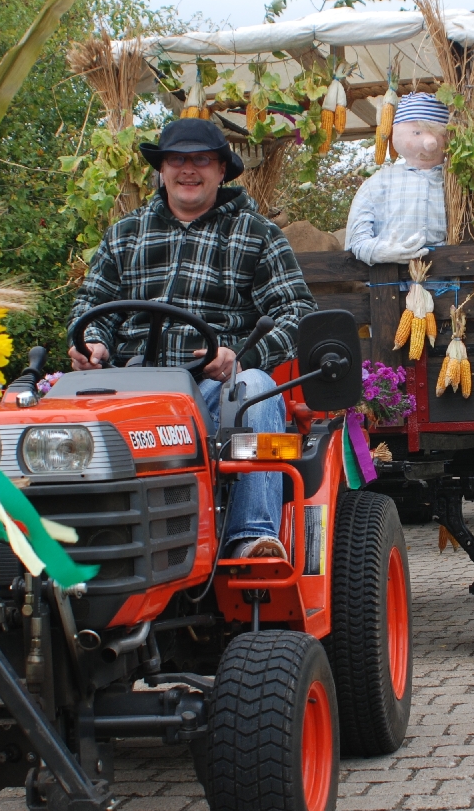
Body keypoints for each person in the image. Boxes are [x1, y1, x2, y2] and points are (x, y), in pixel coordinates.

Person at [68, 118, 317, 559]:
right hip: (130, 388)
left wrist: (240, 356)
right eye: (177, 159)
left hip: (211, 389)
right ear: (161, 170)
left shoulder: (256, 235)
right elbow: (92, 303)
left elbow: (298, 313)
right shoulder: (125, 234)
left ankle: (250, 538)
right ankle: (79, 542)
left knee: (256, 389)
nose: (188, 170)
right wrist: (91, 343)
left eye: (201, 159)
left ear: (222, 170)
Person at [344, 93, 474, 298]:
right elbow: (356, 240)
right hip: (389, 294)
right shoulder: (377, 184)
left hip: (451, 294)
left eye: (438, 134)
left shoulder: (460, 186)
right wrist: (381, 251)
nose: (429, 142)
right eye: (417, 132)